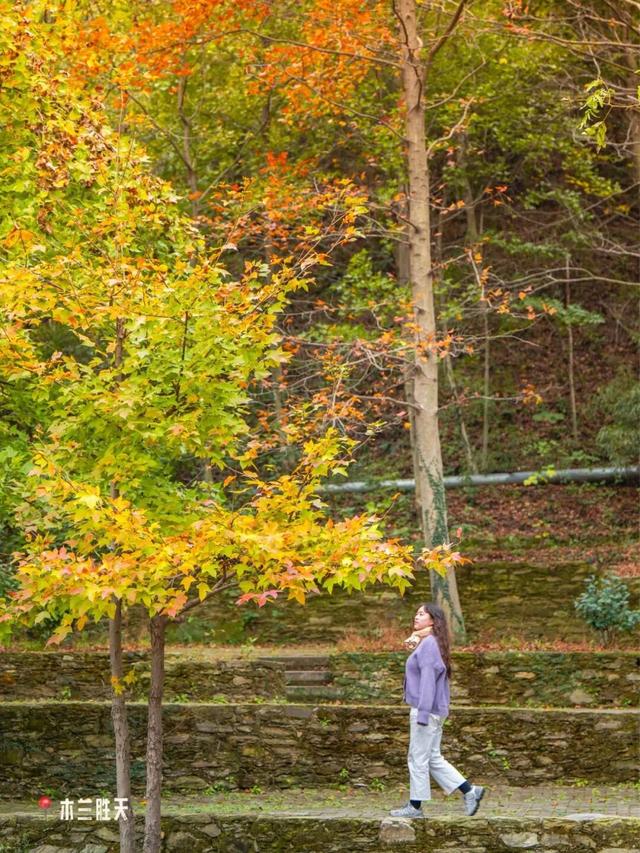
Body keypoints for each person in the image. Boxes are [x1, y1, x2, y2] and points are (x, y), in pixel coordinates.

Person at [390, 602, 485, 819]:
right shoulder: (431, 642)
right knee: (432, 758)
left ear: (432, 620)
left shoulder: (429, 645)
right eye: (416, 613)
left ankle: (415, 807)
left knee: (417, 759)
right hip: (434, 710)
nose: (416, 616)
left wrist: (422, 713)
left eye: (421, 614)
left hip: (426, 710)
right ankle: (470, 791)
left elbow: (428, 682)